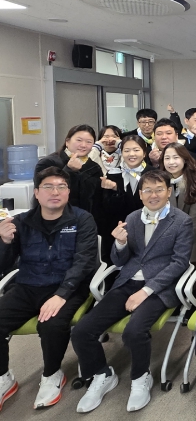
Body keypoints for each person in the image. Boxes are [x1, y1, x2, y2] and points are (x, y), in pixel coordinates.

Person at [71, 169, 193, 413]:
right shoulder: (133, 217)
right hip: (127, 282)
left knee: (134, 331)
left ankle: (140, 377)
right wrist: (120, 243)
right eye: (148, 190)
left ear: (169, 192)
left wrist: (146, 291)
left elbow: (179, 263)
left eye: (159, 189)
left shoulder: (181, 221)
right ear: (140, 194)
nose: (153, 195)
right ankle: (102, 374)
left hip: (159, 287)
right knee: (82, 331)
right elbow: (120, 260)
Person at [0, 167, 98, 410]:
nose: (55, 192)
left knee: (51, 324)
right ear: (36, 192)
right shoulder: (21, 222)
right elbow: (4, 265)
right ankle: (4, 377)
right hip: (27, 285)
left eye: (61, 187)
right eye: (48, 187)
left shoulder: (82, 219)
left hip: (68, 286)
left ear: (68, 192)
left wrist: (61, 294)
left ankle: (52, 374)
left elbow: (84, 261)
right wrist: (4, 242)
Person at [98, 136, 155, 263]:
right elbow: (107, 208)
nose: (131, 154)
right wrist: (115, 190)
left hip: (147, 228)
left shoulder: (153, 174)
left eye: (136, 150)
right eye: (127, 150)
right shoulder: (113, 174)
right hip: (119, 228)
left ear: (144, 152)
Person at [161, 142, 196, 264]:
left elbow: (194, 220)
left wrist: (177, 241)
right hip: (168, 235)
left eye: (176, 157)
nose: (171, 162)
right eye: (167, 158)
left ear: (184, 159)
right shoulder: (160, 180)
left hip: (195, 232)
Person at [35, 124, 103, 213]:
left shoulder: (94, 167)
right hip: (55, 216)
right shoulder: (48, 162)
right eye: (79, 140)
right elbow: (44, 192)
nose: (83, 145)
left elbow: (98, 200)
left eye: (89, 142)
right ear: (67, 142)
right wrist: (69, 170)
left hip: (85, 218)